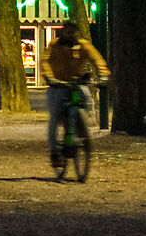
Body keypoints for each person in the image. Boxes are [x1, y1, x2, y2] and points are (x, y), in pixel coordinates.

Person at [40, 20, 111, 168]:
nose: (72, 35)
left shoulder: (83, 46)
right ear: (63, 32)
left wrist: (103, 75)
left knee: (86, 101)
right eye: (68, 32)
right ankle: (54, 150)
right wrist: (49, 77)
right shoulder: (54, 46)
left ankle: (81, 126)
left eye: (74, 32)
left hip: (76, 83)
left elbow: (97, 59)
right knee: (54, 116)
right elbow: (45, 62)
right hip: (57, 85)